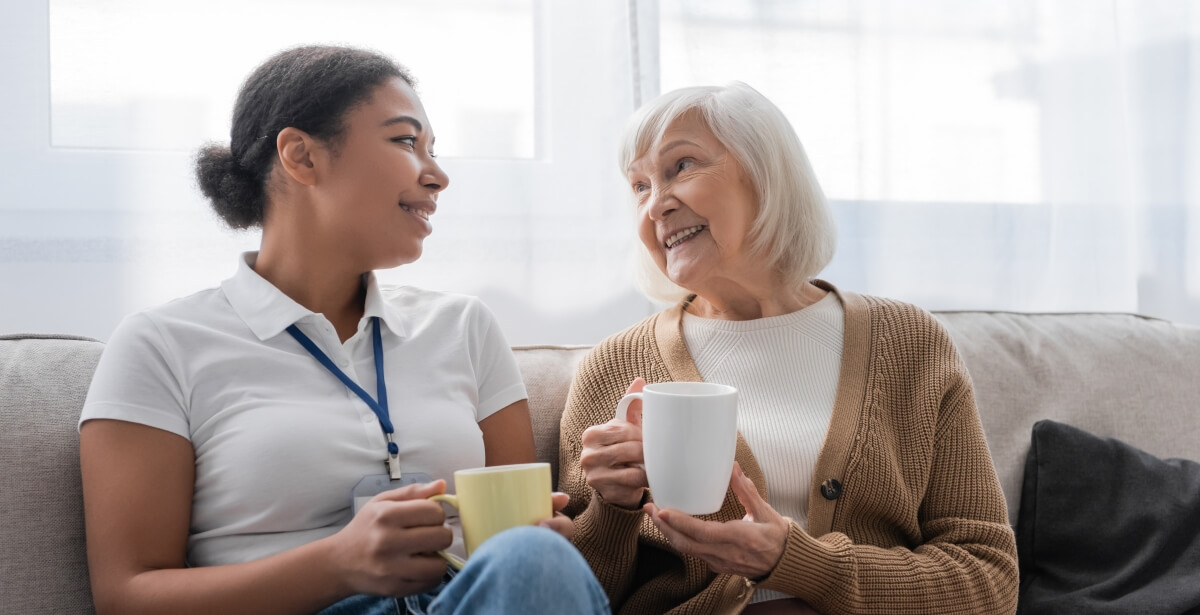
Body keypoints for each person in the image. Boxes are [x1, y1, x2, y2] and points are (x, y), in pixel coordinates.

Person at [79, 45, 608, 615]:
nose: (438, 176)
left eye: (433, 150)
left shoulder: (464, 326)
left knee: (533, 559)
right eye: (406, 142)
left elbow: (518, 534)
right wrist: (336, 564)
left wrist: (540, 546)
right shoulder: (161, 345)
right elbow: (126, 595)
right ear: (302, 156)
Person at [558, 82, 1018, 614]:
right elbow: (571, 598)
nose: (656, 204)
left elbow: (990, 580)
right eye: (638, 186)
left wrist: (798, 562)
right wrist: (612, 511)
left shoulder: (910, 343)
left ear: (765, 173)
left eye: (681, 166)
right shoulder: (616, 368)